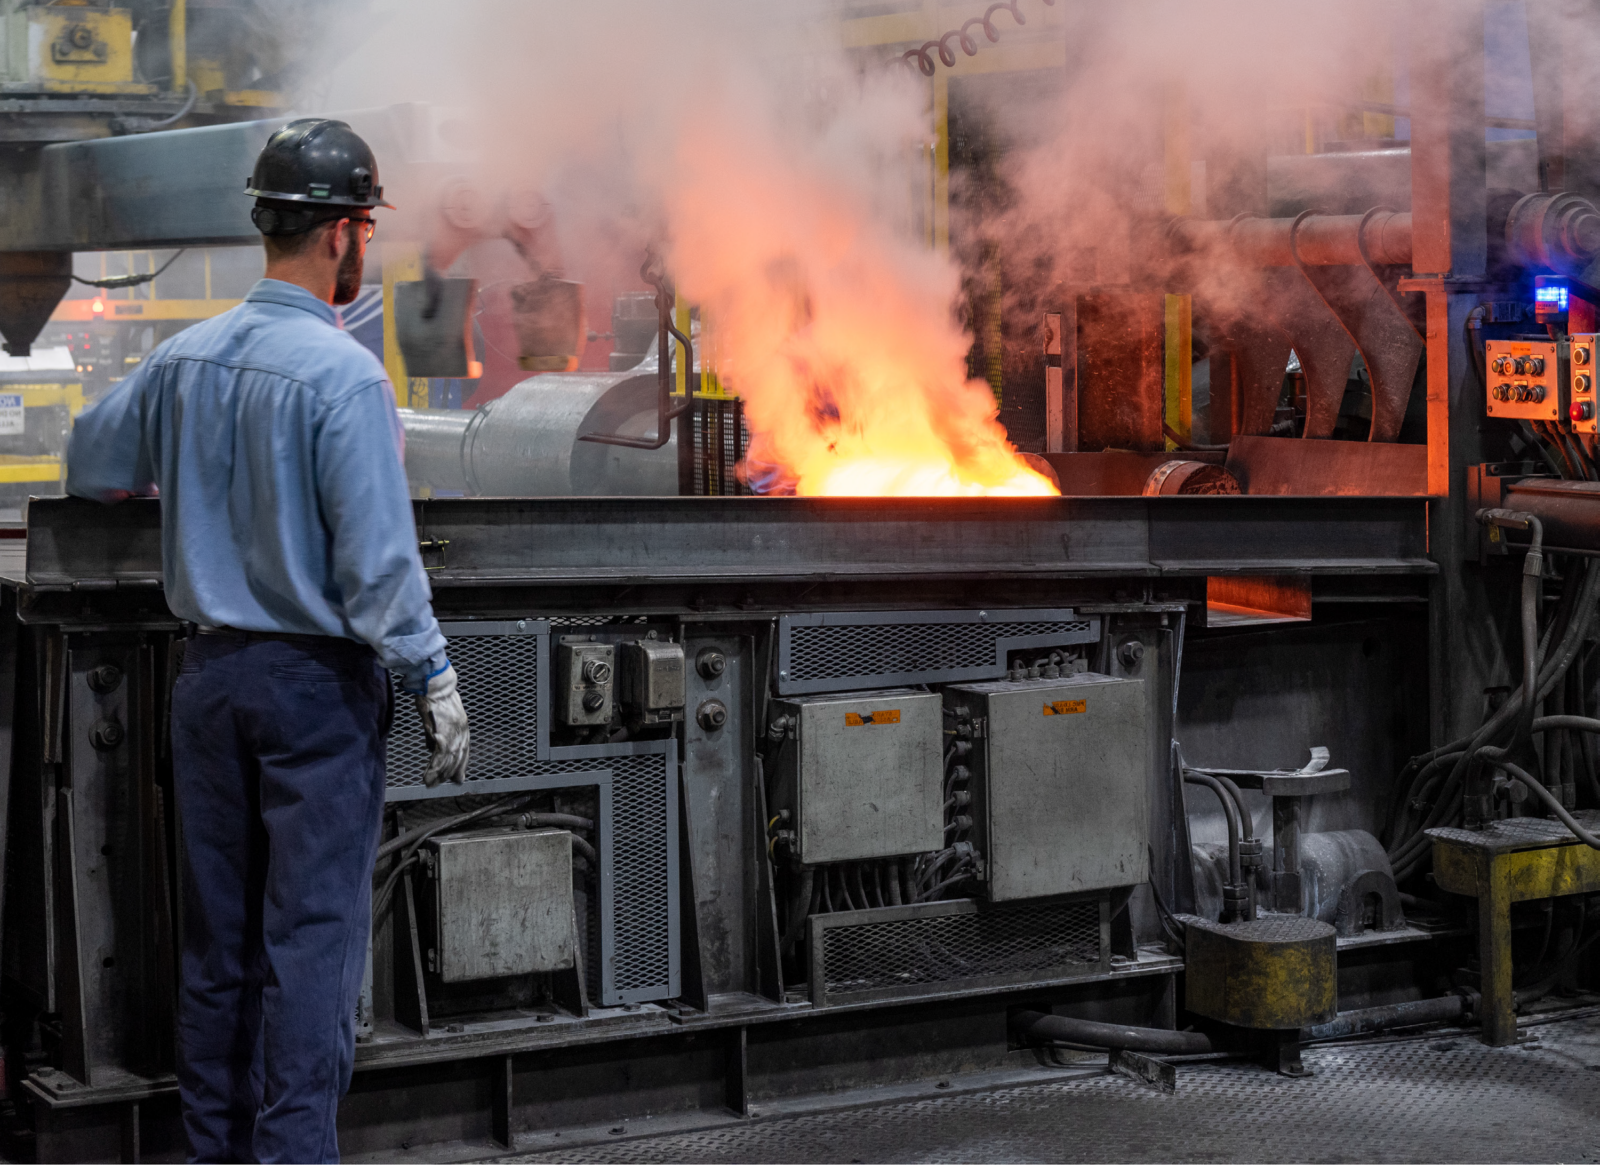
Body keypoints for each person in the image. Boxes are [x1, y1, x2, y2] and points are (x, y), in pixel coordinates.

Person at [65, 118, 470, 1164]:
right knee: (310, 948)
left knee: (219, 948)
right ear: (342, 234)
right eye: (366, 229)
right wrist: (431, 672)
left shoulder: (183, 358)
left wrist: (185, 483)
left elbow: (90, 466)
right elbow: (379, 566)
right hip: (311, 694)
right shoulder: (343, 379)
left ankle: (217, 1154)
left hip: (206, 684)